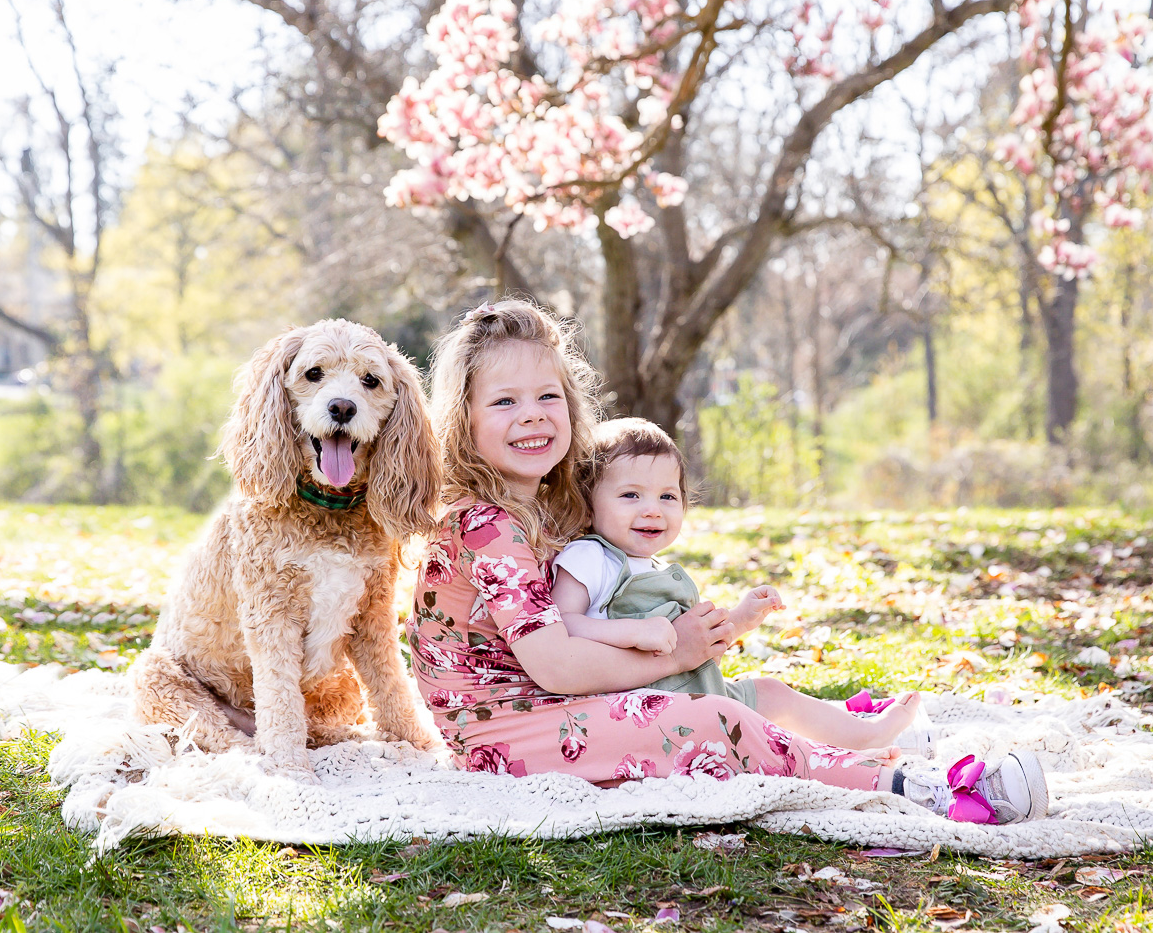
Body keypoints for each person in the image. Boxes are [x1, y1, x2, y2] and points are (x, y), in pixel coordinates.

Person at [407, 298, 1048, 824]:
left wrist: (691, 642)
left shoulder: (542, 506)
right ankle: (925, 789)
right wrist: (678, 655)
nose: (532, 417)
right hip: (502, 731)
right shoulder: (485, 523)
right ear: (462, 420)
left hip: (547, 708)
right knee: (706, 721)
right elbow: (556, 664)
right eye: (503, 402)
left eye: (547, 397)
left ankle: (845, 745)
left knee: (734, 699)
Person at [551, 416, 930, 754]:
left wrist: (739, 620)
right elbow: (560, 625)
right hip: (641, 710)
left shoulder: (655, 568)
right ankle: (829, 753)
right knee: (753, 732)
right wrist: (634, 630)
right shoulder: (590, 558)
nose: (652, 508)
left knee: (771, 693)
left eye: (668, 496)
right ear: (588, 503)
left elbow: (696, 645)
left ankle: (863, 738)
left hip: (694, 693)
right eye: (631, 495)